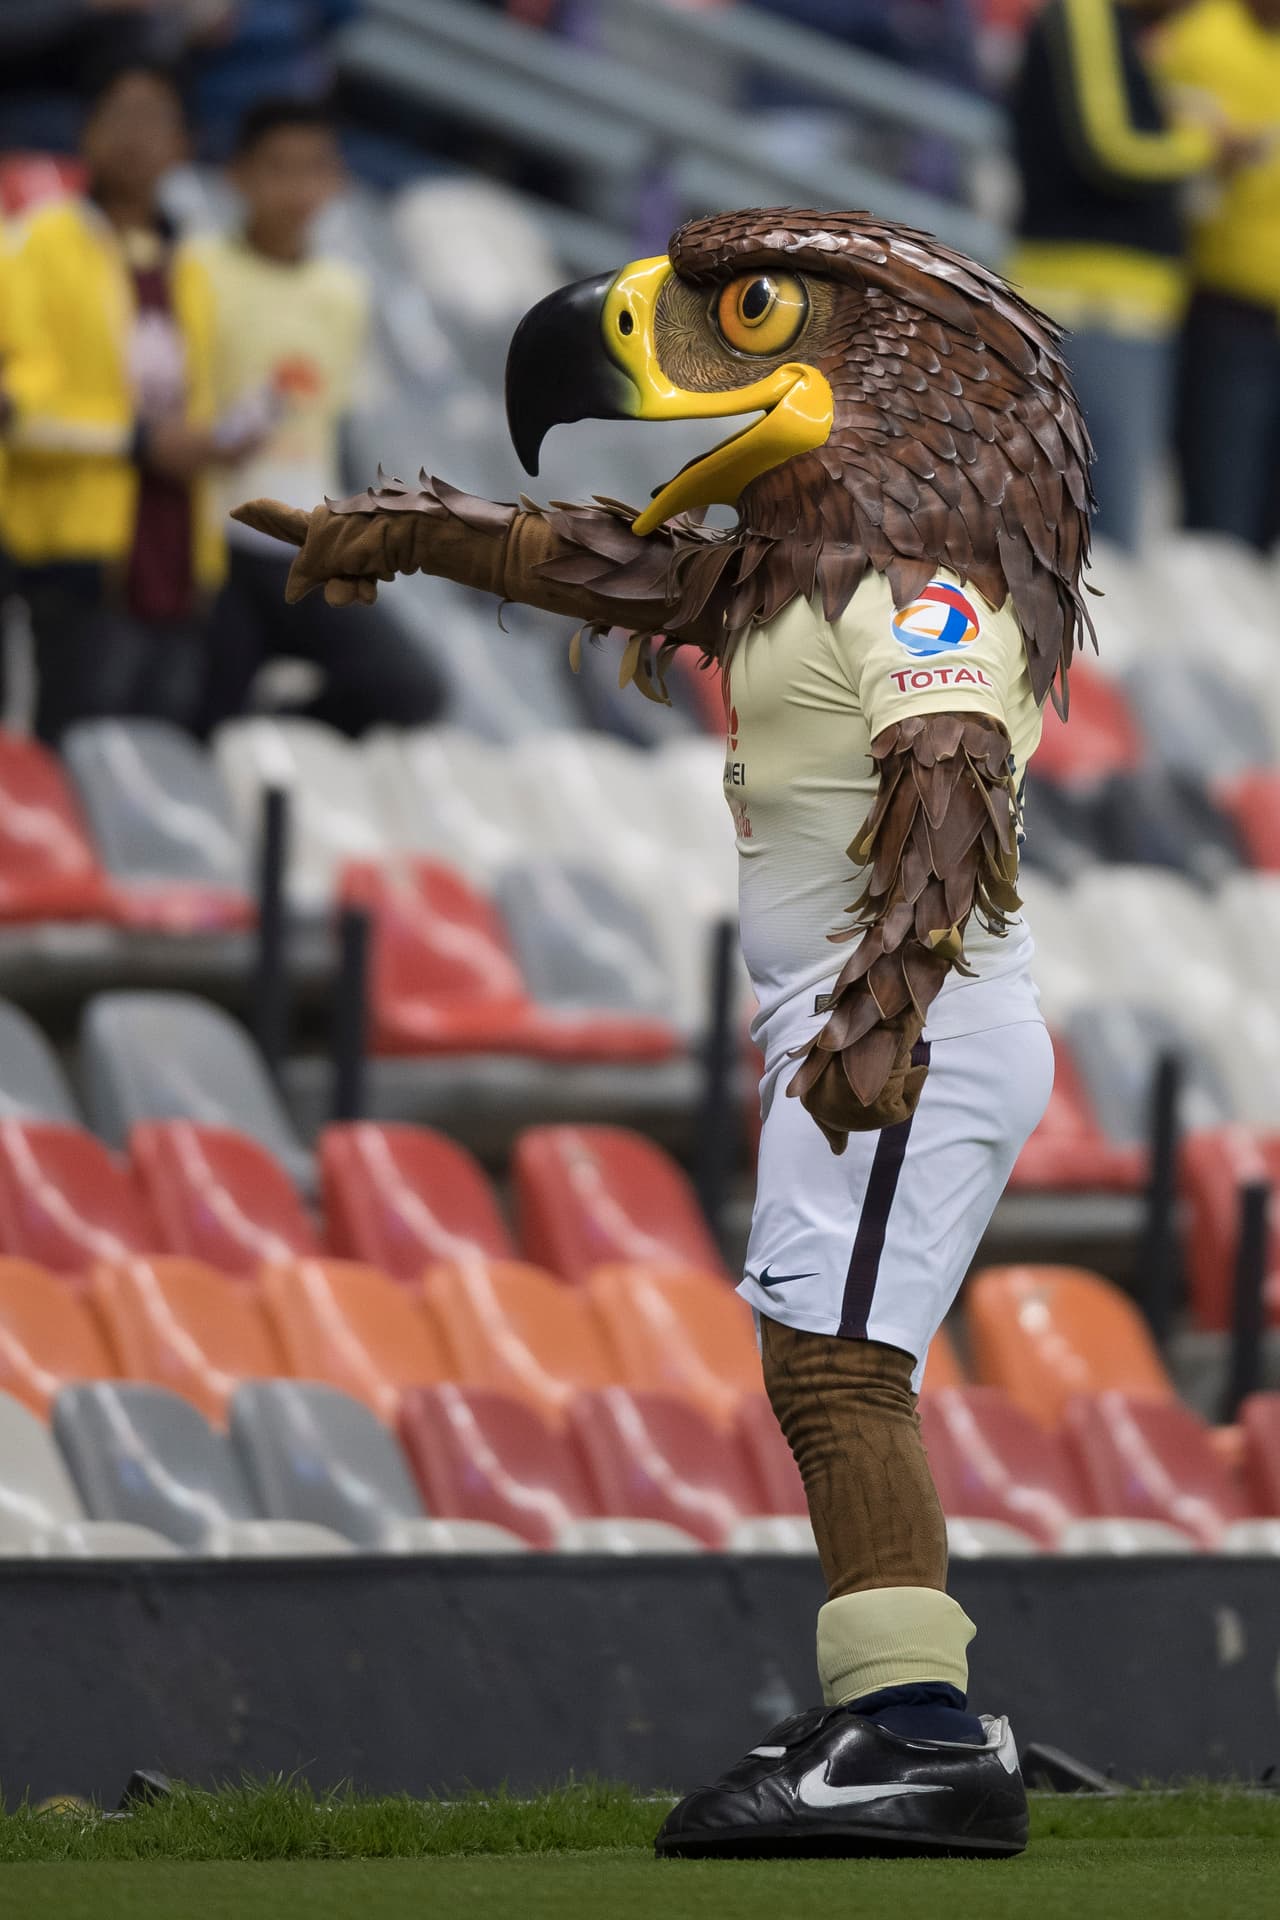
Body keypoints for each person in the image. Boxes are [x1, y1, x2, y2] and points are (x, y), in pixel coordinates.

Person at [233, 208, 1093, 1858]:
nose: (681, 356)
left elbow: (949, 783)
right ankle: (901, 1710)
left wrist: (886, 999)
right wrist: (409, 532)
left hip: (902, 1015)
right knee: (823, 1358)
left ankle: (911, 1735)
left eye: (752, 320)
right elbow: (633, 570)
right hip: (860, 1015)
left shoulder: (934, 592)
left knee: (841, 1367)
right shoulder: (806, 570)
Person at [1, 62, 249, 743]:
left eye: (156, 121)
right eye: (122, 118)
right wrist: (136, 444)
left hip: (174, 550)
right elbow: (18, 411)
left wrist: (219, 440)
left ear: (183, 144)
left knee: (153, 749)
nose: (138, 139)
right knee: (72, 748)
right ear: (87, 132)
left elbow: (199, 399)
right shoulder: (36, 248)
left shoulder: (193, 268)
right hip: (75, 547)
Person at [197, 98, 442, 736]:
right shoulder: (197, 273)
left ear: (335, 180)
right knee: (204, 723)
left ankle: (279, 729)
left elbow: (334, 425)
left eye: (314, 169)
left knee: (410, 685)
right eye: (279, 169)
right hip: (215, 537)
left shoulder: (344, 294)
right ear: (239, 175)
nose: (297, 189)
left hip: (301, 545)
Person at [1007, 0, 1244, 550]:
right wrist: (1202, 145)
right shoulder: (1084, 14)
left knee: (1093, 525)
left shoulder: (1117, 28)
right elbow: (1106, 147)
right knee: (1094, 538)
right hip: (1094, 306)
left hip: (1114, 307)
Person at [1154, 0, 1280, 549]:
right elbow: (1176, 172)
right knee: (1220, 512)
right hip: (1227, 307)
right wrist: (1225, 153)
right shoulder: (1200, 40)